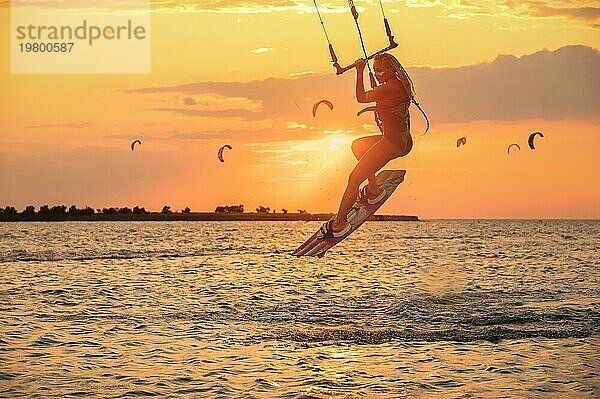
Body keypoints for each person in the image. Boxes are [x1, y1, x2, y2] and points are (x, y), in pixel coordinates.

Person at [319, 52, 417, 238]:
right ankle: (373, 190)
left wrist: (360, 71)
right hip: (402, 141)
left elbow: (361, 97)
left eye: (380, 71)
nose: (377, 74)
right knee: (358, 146)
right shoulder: (396, 85)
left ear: (391, 69)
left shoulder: (390, 88)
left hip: (391, 144)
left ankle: (339, 223)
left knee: (354, 179)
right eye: (375, 70)